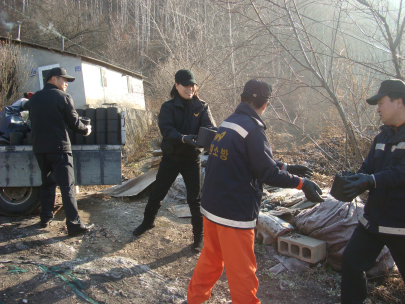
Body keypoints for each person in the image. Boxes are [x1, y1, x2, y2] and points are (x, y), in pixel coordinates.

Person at [187, 79, 324, 304]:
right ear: (265, 104)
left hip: (212, 207)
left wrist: (286, 167)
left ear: (242, 98)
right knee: (242, 270)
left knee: (211, 258)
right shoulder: (253, 129)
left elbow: (247, 158)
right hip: (234, 213)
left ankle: (194, 299)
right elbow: (266, 173)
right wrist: (302, 183)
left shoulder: (228, 123)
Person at [132, 69, 216, 252]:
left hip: (192, 159)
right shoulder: (168, 107)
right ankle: (147, 223)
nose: (190, 88)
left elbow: (210, 128)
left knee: (195, 199)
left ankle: (198, 238)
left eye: (192, 85)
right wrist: (183, 138)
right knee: (157, 193)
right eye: (185, 85)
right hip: (171, 158)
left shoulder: (202, 107)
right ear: (176, 85)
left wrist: (204, 140)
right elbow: (166, 129)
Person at [341, 79, 405, 304]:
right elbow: (369, 167)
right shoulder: (382, 137)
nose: (377, 109)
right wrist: (354, 180)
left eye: (380, 102)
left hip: (401, 225)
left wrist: (369, 181)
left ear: (398, 102)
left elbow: (399, 173)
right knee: (350, 262)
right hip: (374, 220)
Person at [24, 67, 93, 237]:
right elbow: (74, 122)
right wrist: (86, 130)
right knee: (66, 186)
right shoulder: (63, 97)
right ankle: (74, 224)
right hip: (59, 148)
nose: (66, 84)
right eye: (64, 80)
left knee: (47, 183)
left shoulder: (34, 99)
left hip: (40, 148)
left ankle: (45, 217)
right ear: (53, 79)